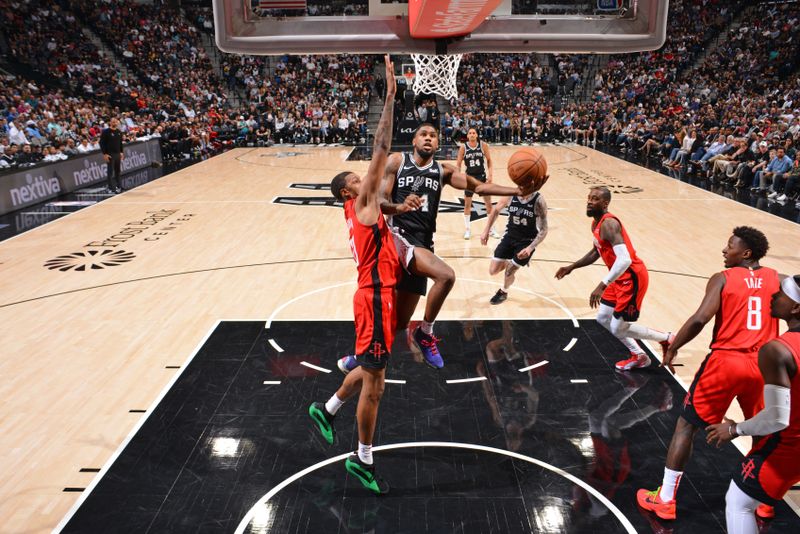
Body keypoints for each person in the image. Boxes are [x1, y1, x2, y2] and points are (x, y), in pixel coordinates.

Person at [308, 56, 416, 495]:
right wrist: (390, 97)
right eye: (355, 177)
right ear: (347, 192)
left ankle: (328, 408)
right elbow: (380, 147)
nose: (363, 175)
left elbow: (380, 207)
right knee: (376, 386)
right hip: (374, 296)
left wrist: (399, 208)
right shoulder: (362, 197)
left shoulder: (365, 208)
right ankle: (362, 459)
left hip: (378, 296)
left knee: (372, 370)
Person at [636, 227, 780, 521]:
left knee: (686, 427)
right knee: (764, 431)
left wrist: (674, 347)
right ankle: (764, 501)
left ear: (746, 253)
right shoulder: (779, 279)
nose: (724, 251)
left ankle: (665, 500)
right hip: (763, 364)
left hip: (726, 363)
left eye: (730, 246)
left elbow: (700, 319)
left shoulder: (723, 278)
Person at [706, 275, 800, 534]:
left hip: (789, 448)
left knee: (739, 502)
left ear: (796, 307)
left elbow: (776, 418)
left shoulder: (778, 350)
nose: (772, 295)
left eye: (780, 293)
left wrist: (734, 430)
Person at [555, 186, 672, 371]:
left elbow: (624, 259)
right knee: (603, 318)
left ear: (605, 203)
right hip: (618, 277)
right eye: (589, 198)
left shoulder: (609, 224)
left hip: (631, 278)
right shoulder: (596, 224)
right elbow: (596, 252)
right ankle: (639, 355)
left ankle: (666, 338)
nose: (589, 201)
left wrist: (602, 285)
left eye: (595, 199)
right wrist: (572, 267)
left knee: (618, 327)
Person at [480, 183, 549, 305]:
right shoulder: (511, 195)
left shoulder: (538, 200)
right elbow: (495, 211)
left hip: (527, 241)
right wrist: (486, 230)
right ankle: (511, 261)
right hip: (510, 236)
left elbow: (544, 230)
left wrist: (530, 248)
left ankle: (503, 291)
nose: (520, 187)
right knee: (493, 271)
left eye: (523, 185)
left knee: (509, 270)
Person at [456, 128, 498, 240]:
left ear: (477, 135)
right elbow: (459, 162)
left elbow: (489, 160)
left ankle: (492, 229)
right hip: (469, 179)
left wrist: (491, 175)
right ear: (467, 136)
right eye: (470, 133)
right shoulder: (463, 147)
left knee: (488, 204)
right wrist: (458, 175)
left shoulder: (483, 145)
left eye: (474, 133)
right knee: (467, 205)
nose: (472, 134)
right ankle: (468, 230)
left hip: (482, 178)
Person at [100, 118, 124, 194]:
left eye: (116, 122)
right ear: (110, 122)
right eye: (113, 122)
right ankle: (110, 188)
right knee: (110, 172)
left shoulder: (119, 132)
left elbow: (120, 143)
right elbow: (101, 143)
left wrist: (121, 152)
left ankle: (119, 186)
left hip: (117, 154)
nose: (114, 123)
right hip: (110, 154)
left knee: (118, 171)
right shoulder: (106, 132)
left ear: (117, 123)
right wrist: (104, 154)